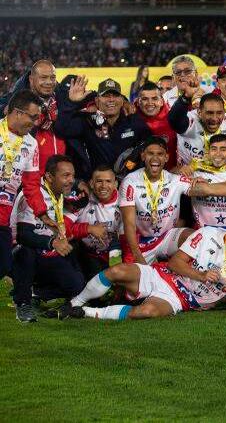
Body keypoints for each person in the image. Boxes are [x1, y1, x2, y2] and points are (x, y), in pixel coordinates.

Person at [60, 207, 226, 320]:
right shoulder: (207, 234)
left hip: (182, 299)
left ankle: (84, 312)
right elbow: (174, 263)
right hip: (164, 275)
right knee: (117, 271)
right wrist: (201, 276)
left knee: (147, 312)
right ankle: (74, 302)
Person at [119, 137, 226, 265]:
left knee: (197, 237)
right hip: (140, 241)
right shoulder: (130, 182)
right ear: (143, 155)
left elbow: (207, 190)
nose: (155, 158)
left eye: (160, 154)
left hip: (167, 237)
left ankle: (194, 278)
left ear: (166, 157)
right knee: (131, 290)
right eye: (150, 154)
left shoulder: (175, 180)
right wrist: (137, 255)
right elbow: (129, 224)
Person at [11, 155, 108, 323]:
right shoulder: (32, 195)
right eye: (66, 176)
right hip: (19, 252)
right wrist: (52, 243)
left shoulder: (60, 193)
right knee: (26, 252)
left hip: (46, 252)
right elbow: (23, 236)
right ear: (49, 177)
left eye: (72, 175)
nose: (71, 181)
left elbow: (67, 226)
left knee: (77, 284)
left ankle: (37, 292)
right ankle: (23, 302)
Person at [55, 77, 152, 176]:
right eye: (106, 95)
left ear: (122, 100)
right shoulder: (88, 121)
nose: (111, 99)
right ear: (97, 101)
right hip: (98, 184)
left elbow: (149, 145)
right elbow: (61, 130)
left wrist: (131, 165)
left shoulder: (133, 120)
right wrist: (72, 103)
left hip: (128, 182)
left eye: (115, 95)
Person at [0, 90, 45, 281]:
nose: (35, 122)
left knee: (3, 265)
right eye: (33, 117)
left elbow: (32, 185)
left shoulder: (32, 144)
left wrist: (42, 212)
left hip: (3, 215)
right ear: (17, 112)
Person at [168, 90, 226, 168]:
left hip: (220, 178)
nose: (214, 118)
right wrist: (185, 98)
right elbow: (174, 120)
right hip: (189, 176)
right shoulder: (191, 120)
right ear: (199, 112)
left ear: (224, 112)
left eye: (219, 113)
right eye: (209, 113)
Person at [72, 165, 122, 278]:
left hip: (115, 253)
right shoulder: (81, 200)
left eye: (108, 181)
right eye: (99, 181)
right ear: (91, 183)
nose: (104, 186)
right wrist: (88, 229)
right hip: (86, 254)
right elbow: (64, 228)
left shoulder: (125, 202)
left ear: (116, 184)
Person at [191, 134, 226, 229]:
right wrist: (185, 169)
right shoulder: (196, 174)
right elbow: (170, 175)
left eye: (223, 149)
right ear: (208, 152)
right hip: (203, 233)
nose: (218, 154)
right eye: (214, 149)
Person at [135, 81, 177, 170]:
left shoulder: (174, 119)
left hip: (171, 177)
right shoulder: (130, 119)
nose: (150, 103)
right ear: (138, 102)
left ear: (161, 101)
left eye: (154, 98)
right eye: (145, 99)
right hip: (138, 178)